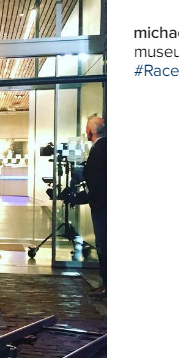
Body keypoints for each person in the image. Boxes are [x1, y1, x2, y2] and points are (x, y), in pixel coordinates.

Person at [84, 116, 106, 294]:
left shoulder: (99, 149)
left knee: (103, 245)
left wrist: (88, 196)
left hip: (101, 205)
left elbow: (97, 180)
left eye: (87, 128)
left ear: (91, 131)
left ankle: (106, 284)